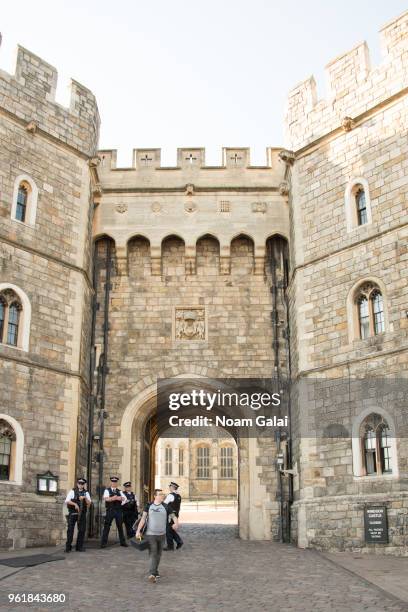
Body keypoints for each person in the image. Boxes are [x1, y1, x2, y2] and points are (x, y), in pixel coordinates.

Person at [135, 489, 179, 583]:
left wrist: (176, 523)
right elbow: (143, 519)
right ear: (155, 496)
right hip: (150, 535)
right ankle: (152, 574)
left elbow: (173, 516)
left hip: (162, 535)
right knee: (153, 553)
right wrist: (138, 530)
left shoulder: (166, 506)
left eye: (162, 494)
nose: (162, 496)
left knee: (158, 554)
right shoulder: (149, 506)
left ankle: (155, 571)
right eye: (160, 494)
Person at [100, 476, 128, 548]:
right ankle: (103, 543)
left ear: (117, 483)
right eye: (113, 482)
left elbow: (124, 499)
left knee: (120, 526)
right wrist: (114, 498)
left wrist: (119, 498)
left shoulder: (119, 491)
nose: (114, 483)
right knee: (107, 526)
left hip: (118, 510)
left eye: (115, 482)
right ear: (111, 482)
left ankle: (122, 542)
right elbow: (106, 499)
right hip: (110, 510)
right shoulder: (107, 490)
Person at [65, 477, 91, 553]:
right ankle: (68, 547)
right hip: (73, 513)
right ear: (77, 484)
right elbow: (67, 501)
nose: (81, 485)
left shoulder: (86, 493)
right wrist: (75, 504)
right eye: (79, 483)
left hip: (82, 514)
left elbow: (89, 504)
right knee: (70, 530)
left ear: (84, 485)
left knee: (82, 530)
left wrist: (85, 498)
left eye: (82, 484)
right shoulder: (72, 491)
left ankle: (79, 547)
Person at [164, 481, 183, 551]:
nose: (169, 487)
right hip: (176, 515)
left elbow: (164, 504)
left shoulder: (170, 495)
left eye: (170, 486)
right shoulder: (178, 496)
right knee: (171, 529)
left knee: (168, 530)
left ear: (173, 487)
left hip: (170, 515)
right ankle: (178, 541)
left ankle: (170, 546)